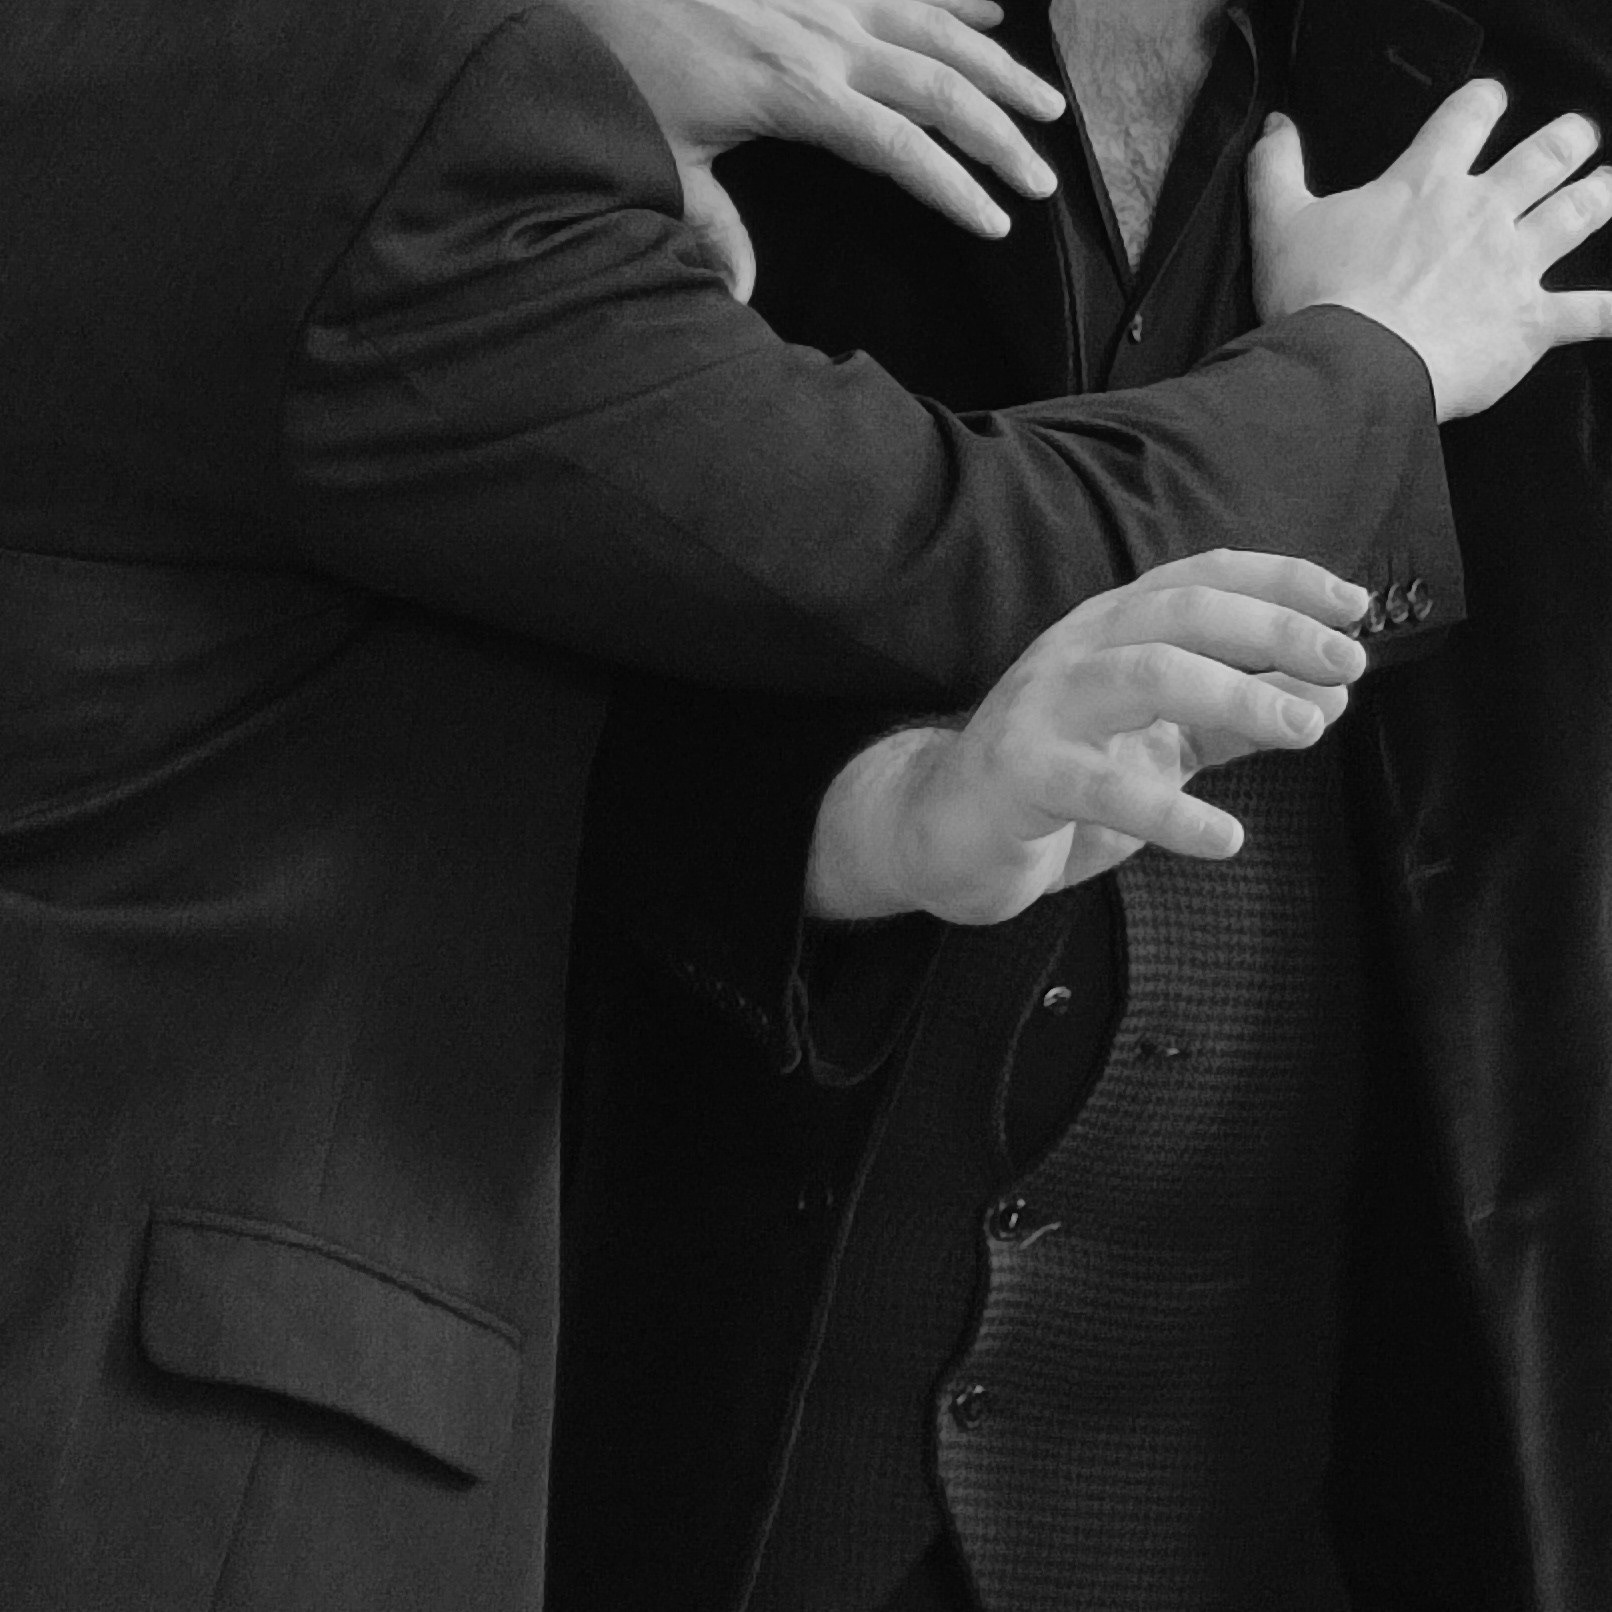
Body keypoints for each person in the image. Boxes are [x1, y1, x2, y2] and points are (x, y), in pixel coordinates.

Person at [0, 3, 1602, 1611]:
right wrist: (1372, 364)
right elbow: (885, 554)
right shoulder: (610, 57)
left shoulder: (1544, 108)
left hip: (1307, 1491)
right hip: (657, 1443)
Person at [548, 3, 1612, 1610]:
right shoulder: (704, 38)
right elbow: (527, 668)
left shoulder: (1547, 106)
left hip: (1296, 1499)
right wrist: (848, 829)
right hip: (705, 1432)